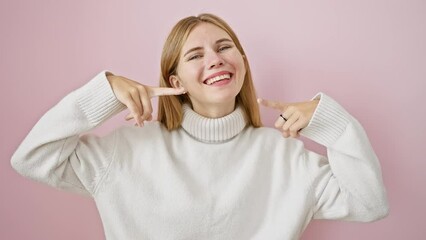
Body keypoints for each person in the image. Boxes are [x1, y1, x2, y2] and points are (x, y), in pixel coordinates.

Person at [11, 13, 389, 240]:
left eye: (225, 48)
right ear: (175, 82)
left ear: (241, 62)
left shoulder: (284, 157)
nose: (215, 60)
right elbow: (33, 158)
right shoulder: (126, 150)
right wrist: (105, 91)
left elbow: (369, 203)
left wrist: (331, 123)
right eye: (195, 54)